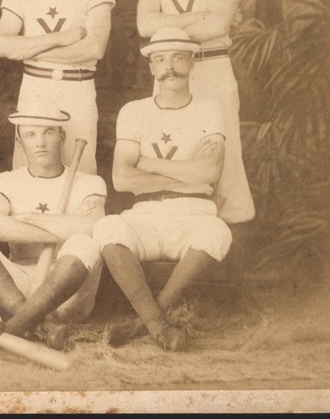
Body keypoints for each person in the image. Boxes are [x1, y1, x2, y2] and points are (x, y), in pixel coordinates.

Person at [93, 27, 232, 351]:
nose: (169, 66)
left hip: (194, 211)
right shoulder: (134, 111)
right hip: (147, 213)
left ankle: (143, 324)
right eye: (160, 59)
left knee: (217, 233)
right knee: (107, 226)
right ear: (152, 67)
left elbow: (210, 171)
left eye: (178, 57)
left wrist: (145, 161)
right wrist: (188, 172)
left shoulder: (208, 109)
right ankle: (160, 328)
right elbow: (122, 180)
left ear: (192, 62)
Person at [135, 0, 254, 226]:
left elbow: (218, 27)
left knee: (223, 152)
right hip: (168, 72)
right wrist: (201, 15)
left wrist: (168, 24)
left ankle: (229, 243)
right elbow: (144, 26)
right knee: (173, 147)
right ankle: (180, 235)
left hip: (213, 68)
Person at [0, 107, 106, 348]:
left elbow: (93, 226)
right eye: (31, 135)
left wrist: (29, 219)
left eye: (49, 133)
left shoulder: (90, 182)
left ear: (62, 137)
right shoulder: (7, 180)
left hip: (68, 295)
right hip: (17, 286)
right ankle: (39, 325)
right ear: (19, 140)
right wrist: (67, 225)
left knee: (85, 242)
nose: (40, 143)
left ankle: (15, 326)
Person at [0, 0, 114, 174]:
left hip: (78, 88)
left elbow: (94, 48)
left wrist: (27, 49)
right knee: (28, 169)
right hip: (35, 88)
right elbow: (1, 45)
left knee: (80, 170)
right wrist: (62, 37)